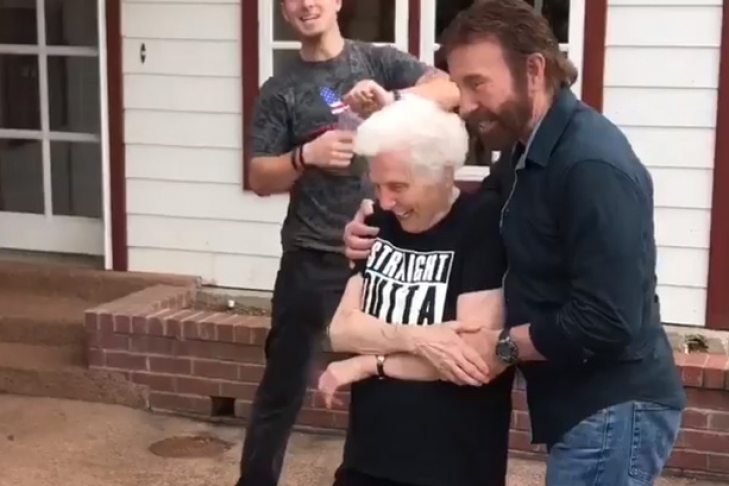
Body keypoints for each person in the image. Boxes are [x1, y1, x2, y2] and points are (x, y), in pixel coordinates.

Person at [342, 1, 686, 485]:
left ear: (534, 69)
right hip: (584, 406)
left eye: (478, 83)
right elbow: (466, 210)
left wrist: (501, 346)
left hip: (614, 407)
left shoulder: (590, 165)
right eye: (460, 86)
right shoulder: (527, 149)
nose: (466, 104)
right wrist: (384, 217)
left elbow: (610, 318)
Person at [237, 1, 459, 485]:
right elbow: (259, 176)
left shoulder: (377, 61)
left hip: (383, 254)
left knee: (388, 379)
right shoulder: (280, 89)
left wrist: (393, 100)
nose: (307, 4)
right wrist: (304, 156)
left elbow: (450, 89)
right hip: (311, 258)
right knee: (281, 390)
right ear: (284, 10)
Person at [317, 95, 513, 486]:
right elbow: (341, 329)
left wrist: (367, 364)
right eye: (378, 185)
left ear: (443, 173)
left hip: (452, 465)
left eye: (398, 186)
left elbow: (473, 360)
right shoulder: (377, 221)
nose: (386, 201)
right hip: (368, 457)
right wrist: (419, 339)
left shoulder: (480, 224)